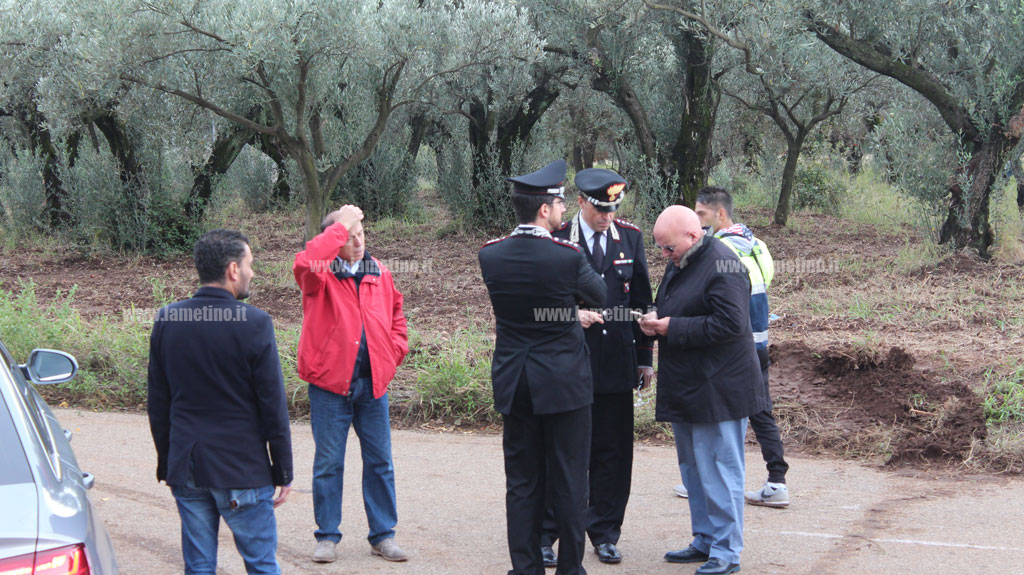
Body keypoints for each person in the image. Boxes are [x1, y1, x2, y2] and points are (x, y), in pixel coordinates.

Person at [478, 159, 606, 575]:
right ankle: (571, 568)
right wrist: (569, 311)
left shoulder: (491, 256)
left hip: (516, 381)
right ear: (545, 209)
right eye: (560, 204)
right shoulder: (566, 256)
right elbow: (599, 294)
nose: (564, 212)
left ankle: (525, 567)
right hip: (564, 382)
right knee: (570, 479)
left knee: (521, 481)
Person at [147, 229, 293, 575]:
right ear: (232, 270)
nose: (252, 272)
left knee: (198, 566)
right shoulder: (254, 323)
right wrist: (283, 470)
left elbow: (158, 403)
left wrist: (169, 463)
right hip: (241, 468)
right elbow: (273, 404)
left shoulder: (169, 319)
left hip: (189, 467)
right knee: (260, 565)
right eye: (250, 264)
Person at [639, 206, 768, 575]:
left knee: (721, 470)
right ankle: (706, 539)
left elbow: (730, 324)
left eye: (668, 248)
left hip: (720, 389)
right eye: (660, 249)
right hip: (688, 385)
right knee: (693, 467)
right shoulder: (681, 260)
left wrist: (670, 327)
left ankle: (727, 552)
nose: (663, 256)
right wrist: (654, 318)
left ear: (693, 237)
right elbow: (671, 303)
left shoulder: (725, 264)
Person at [542, 168, 654, 566]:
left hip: (616, 362)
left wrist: (644, 359)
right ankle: (547, 532)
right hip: (569, 363)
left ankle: (605, 530)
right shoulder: (556, 239)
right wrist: (572, 314)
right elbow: (540, 306)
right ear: (581, 203)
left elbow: (643, 301)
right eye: (600, 209)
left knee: (613, 452)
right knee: (563, 450)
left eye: (613, 209)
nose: (607, 216)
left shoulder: (631, 237)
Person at [293, 204, 410, 563]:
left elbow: (397, 319)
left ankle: (383, 535)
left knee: (380, 462)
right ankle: (327, 536)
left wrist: (391, 357)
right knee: (329, 462)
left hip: (373, 386)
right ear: (335, 239)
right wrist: (340, 225)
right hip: (330, 387)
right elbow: (302, 262)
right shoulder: (319, 273)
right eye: (349, 236)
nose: (357, 241)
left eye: (361, 233)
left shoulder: (380, 273)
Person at [691, 186, 789, 507]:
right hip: (760, 340)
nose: (697, 221)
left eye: (702, 214)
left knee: (716, 410)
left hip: (732, 345)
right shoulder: (757, 244)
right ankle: (777, 482)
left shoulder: (718, 249)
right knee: (760, 410)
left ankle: (707, 480)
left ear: (720, 213)